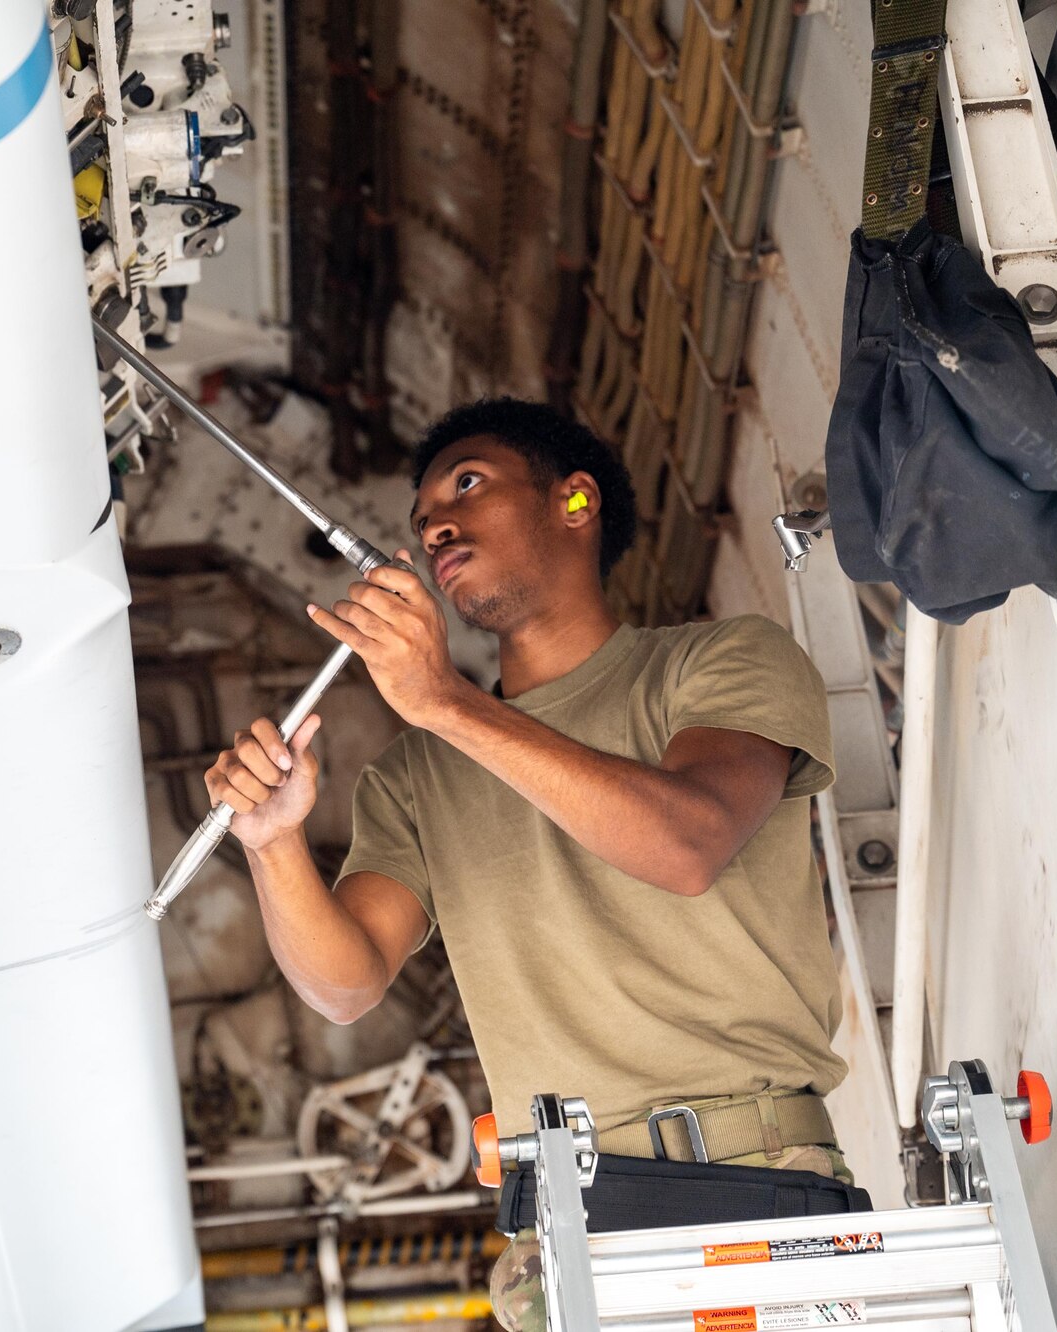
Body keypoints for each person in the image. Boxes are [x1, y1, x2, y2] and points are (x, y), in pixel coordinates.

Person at [201, 399, 848, 1331]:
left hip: (750, 1180)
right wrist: (271, 845)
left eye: (467, 484)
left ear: (575, 504)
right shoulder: (416, 775)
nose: (436, 528)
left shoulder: (719, 662)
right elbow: (343, 985)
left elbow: (686, 844)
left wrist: (449, 704)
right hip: (562, 1237)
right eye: (422, 522)